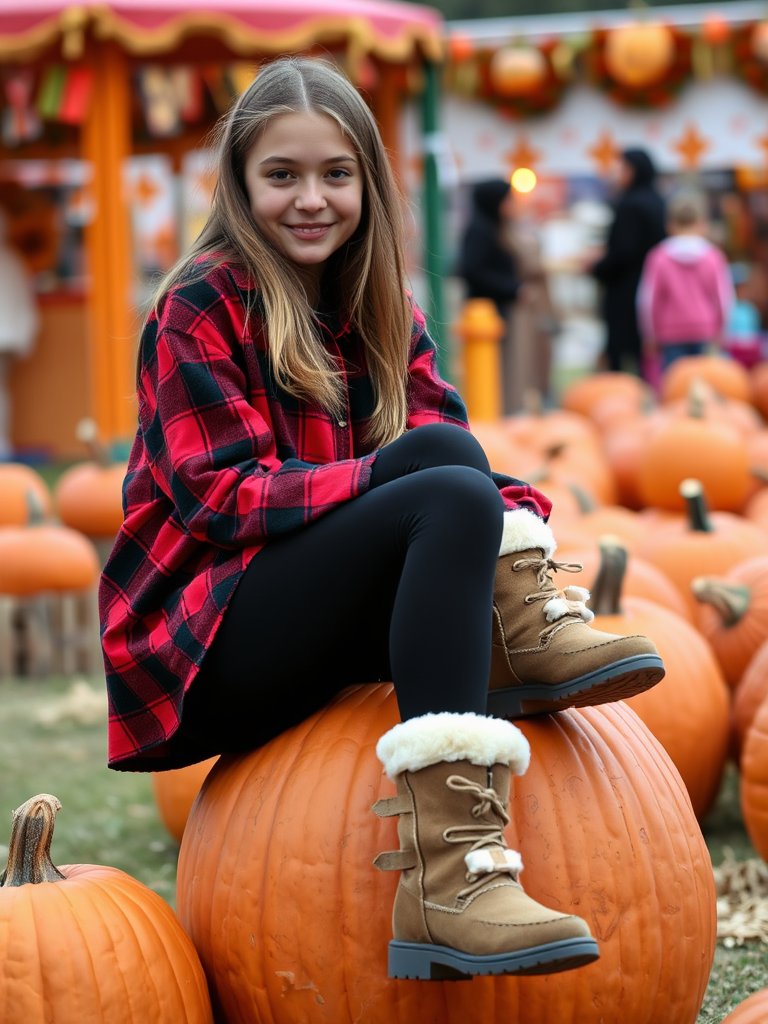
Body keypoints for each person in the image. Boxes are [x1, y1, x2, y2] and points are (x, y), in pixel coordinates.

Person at [99, 57, 664, 983]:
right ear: (241, 183)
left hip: (311, 609)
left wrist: (509, 524)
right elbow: (218, 495)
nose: (310, 199)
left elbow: (453, 449)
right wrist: (378, 476)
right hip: (204, 643)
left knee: (451, 465)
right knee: (434, 480)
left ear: (367, 178)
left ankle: (515, 630)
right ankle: (450, 884)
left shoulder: (382, 306)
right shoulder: (198, 303)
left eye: (335, 174)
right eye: (281, 175)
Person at [637, 188, 734, 382]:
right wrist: (722, 331)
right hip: (705, 329)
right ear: (703, 224)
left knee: (675, 385)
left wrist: (649, 335)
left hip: (670, 332)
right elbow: (724, 298)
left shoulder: (658, 257)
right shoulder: (713, 256)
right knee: (706, 385)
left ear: (670, 225)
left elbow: (647, 300)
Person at [588, 148, 666, 375]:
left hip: (626, 291)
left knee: (623, 355)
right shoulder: (656, 200)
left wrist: (596, 267)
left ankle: (627, 398)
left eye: (622, 168)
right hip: (650, 289)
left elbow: (624, 252)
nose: (618, 173)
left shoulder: (631, 204)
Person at [456, 178, 524, 413]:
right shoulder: (479, 231)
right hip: (484, 312)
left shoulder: (493, 227)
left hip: (495, 310)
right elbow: (472, 270)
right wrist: (512, 288)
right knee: (489, 371)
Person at [0, 207, 39, 460]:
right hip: (10, 337)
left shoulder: (13, 261)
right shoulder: (14, 260)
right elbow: (27, 303)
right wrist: (26, 338)